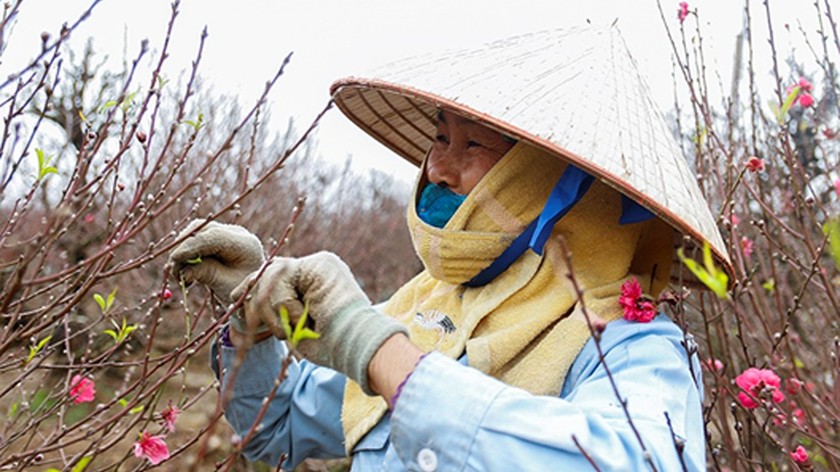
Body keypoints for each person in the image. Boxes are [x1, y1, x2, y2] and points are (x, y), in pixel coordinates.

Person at [169, 26, 731, 471]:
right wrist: (254, 321)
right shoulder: (430, 308)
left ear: (552, 185)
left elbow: (634, 461)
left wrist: (376, 351)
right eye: (440, 137)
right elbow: (281, 426)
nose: (437, 167)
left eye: (473, 144)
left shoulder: (633, 348)